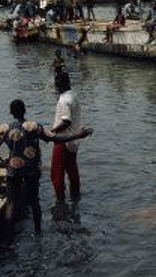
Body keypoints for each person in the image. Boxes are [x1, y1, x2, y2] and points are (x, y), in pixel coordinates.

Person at [0, 98, 93, 236]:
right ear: (24, 111)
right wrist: (78, 135)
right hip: (31, 171)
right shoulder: (34, 127)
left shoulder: (5, 129)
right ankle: (38, 233)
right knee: (34, 203)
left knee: (11, 203)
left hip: (14, 171)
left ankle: (9, 236)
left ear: (11, 113)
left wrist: (3, 162)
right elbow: (56, 138)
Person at [50, 70, 89, 219]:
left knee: (56, 174)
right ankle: (75, 197)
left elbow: (66, 121)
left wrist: (51, 132)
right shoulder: (73, 96)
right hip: (74, 140)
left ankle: (60, 202)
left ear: (59, 84)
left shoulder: (64, 100)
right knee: (72, 171)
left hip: (63, 140)